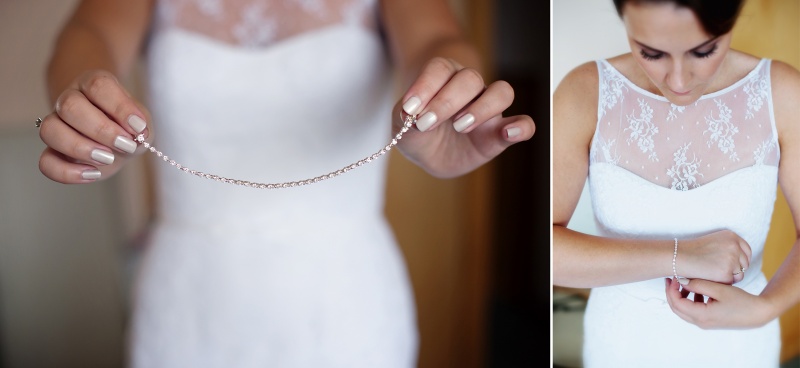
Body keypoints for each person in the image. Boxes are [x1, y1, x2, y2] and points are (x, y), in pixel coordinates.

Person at [36, 0, 535, 367]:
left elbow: (437, 40)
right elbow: (86, 36)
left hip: (346, 300)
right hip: (189, 297)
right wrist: (87, 104)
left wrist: (447, 90)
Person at [553, 0, 800, 366]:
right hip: (623, 343)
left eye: (704, 51)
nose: (679, 81)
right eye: (651, 53)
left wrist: (765, 309)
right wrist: (681, 255)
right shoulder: (585, 93)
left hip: (738, 346)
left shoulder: (782, 93)